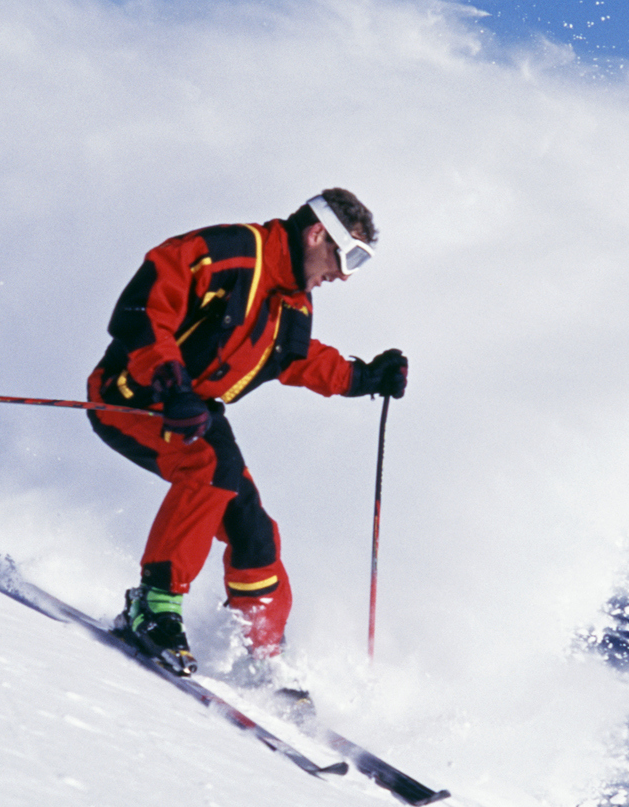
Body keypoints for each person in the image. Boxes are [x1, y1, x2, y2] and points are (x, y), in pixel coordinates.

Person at [87, 188, 407, 678]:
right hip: (135, 394)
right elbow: (145, 308)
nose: (343, 275)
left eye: (357, 264)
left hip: (197, 412)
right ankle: (152, 607)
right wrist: (171, 383)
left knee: (254, 531)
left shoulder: (294, 303)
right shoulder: (233, 252)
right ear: (316, 233)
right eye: (346, 257)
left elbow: (297, 359)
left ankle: (260, 655)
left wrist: (365, 378)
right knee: (211, 467)